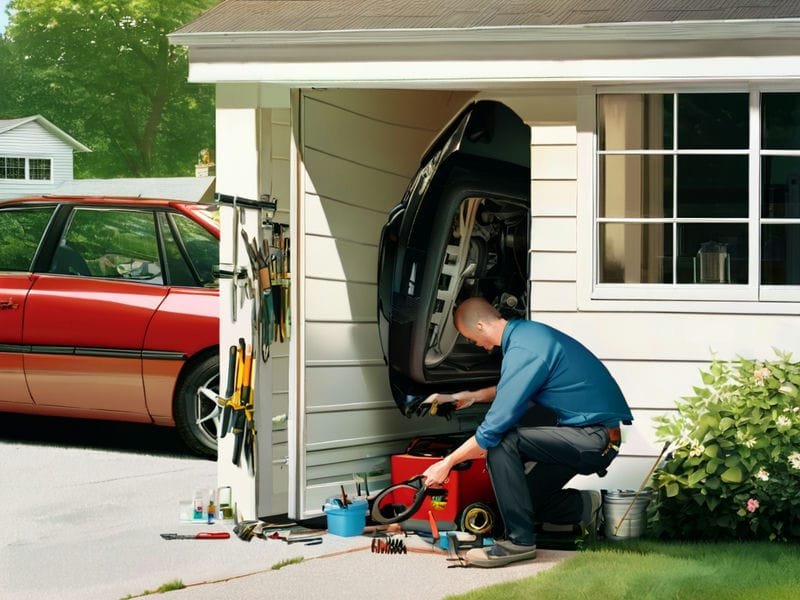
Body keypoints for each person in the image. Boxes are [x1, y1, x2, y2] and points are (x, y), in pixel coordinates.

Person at [422, 297, 632, 568]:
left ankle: (519, 543)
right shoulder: (527, 337)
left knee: (502, 441)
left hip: (594, 439)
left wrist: (446, 463)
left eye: (471, 339)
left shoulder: (525, 348)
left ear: (481, 325)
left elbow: (491, 431)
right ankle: (584, 504)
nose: (477, 346)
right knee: (521, 504)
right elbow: (514, 387)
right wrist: (472, 396)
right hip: (587, 436)